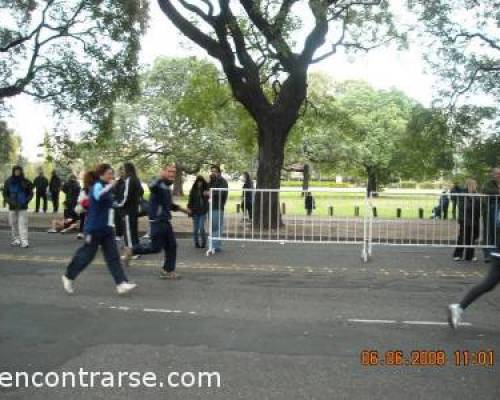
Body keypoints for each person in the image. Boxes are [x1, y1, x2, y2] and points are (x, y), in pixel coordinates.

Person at [61, 164, 136, 295]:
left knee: (113, 257)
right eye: (109, 174)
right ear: (101, 175)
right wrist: (109, 187)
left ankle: (121, 283)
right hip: (94, 228)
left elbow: (110, 204)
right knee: (87, 256)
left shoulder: (107, 188)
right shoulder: (97, 186)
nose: (112, 176)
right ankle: (68, 276)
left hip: (107, 229)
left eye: (112, 174)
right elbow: (98, 196)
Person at [122, 165, 190, 279]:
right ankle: (132, 250)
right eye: (169, 171)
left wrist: (184, 210)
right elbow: (151, 185)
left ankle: (167, 271)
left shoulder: (166, 186)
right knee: (156, 247)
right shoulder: (158, 183)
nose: (172, 174)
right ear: (163, 172)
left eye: (174, 172)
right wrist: (159, 177)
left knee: (171, 246)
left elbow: (169, 205)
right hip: (158, 221)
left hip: (164, 220)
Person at [2, 166, 34, 248]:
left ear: (21, 171)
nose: (17, 172)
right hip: (12, 207)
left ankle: (24, 241)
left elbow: (31, 193)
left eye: (18, 171)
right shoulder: (8, 181)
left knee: (23, 224)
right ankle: (16, 240)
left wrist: (26, 201)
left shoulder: (26, 181)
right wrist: (9, 202)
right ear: (13, 171)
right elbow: (5, 194)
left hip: (23, 207)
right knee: (13, 224)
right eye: (15, 171)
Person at [116, 162, 144, 250]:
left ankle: (131, 251)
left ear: (127, 170)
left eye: (123, 169)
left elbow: (126, 196)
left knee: (128, 231)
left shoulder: (129, 180)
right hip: (133, 209)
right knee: (133, 231)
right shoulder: (136, 179)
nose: (122, 171)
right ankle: (136, 248)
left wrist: (119, 204)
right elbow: (141, 192)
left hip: (127, 210)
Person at [453, 179, 480, 262]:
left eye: (475, 185)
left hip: (474, 219)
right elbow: (464, 207)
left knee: (472, 237)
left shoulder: (476, 195)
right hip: (464, 219)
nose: (475, 186)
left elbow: (478, 207)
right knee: (463, 237)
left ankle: (470, 256)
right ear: (469, 185)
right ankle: (457, 255)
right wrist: (472, 200)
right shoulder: (463, 194)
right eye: (473, 185)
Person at [481, 168, 500, 262]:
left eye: (499, 174)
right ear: (492, 174)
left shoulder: (498, 183)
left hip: (497, 211)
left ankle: (495, 254)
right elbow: (485, 190)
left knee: (496, 232)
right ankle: (487, 255)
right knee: (488, 232)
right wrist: (498, 192)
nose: (498, 175)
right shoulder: (488, 183)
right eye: (497, 174)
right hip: (490, 210)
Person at [208, 165, 228, 253]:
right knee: (212, 226)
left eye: (214, 171)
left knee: (216, 226)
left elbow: (222, 193)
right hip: (211, 206)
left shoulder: (222, 181)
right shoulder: (212, 181)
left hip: (217, 206)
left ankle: (215, 246)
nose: (212, 173)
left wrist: (211, 193)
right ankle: (214, 245)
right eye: (212, 171)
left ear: (219, 172)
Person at [187, 176, 209, 248]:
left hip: (203, 212)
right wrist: (189, 208)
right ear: (196, 183)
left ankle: (203, 242)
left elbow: (208, 200)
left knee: (201, 227)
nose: (199, 184)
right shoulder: (193, 190)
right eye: (198, 182)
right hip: (195, 212)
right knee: (195, 229)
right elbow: (190, 200)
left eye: (201, 182)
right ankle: (196, 243)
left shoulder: (206, 190)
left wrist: (206, 195)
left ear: (203, 183)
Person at [76, 171, 93, 239]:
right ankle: (85, 233)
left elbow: (80, 198)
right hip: (88, 205)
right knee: (87, 219)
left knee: (83, 219)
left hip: (85, 204)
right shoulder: (92, 186)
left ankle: (81, 233)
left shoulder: (85, 187)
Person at [113, 166, 126, 242]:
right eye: (120, 171)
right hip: (118, 202)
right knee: (117, 219)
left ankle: (123, 235)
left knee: (123, 219)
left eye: (122, 171)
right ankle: (118, 234)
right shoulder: (118, 182)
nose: (121, 173)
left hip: (124, 203)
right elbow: (114, 192)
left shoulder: (128, 181)